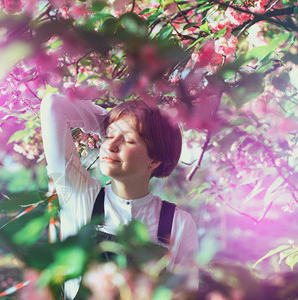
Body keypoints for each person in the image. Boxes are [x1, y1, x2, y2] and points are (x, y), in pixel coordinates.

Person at [40, 93, 198, 299]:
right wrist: (112, 120)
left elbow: (186, 294)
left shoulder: (178, 224)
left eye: (128, 140)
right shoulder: (80, 196)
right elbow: (53, 105)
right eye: (108, 135)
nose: (110, 145)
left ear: (154, 160)